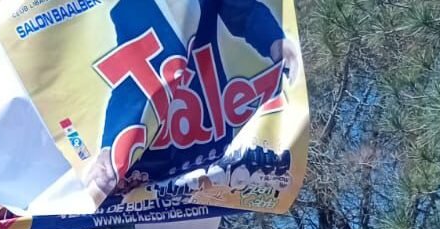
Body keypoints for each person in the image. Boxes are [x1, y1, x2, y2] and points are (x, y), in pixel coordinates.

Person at [86, 0, 302, 198]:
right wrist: (109, 149)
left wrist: (274, 39)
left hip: (202, 126)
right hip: (139, 145)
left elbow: (242, 9)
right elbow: (130, 79)